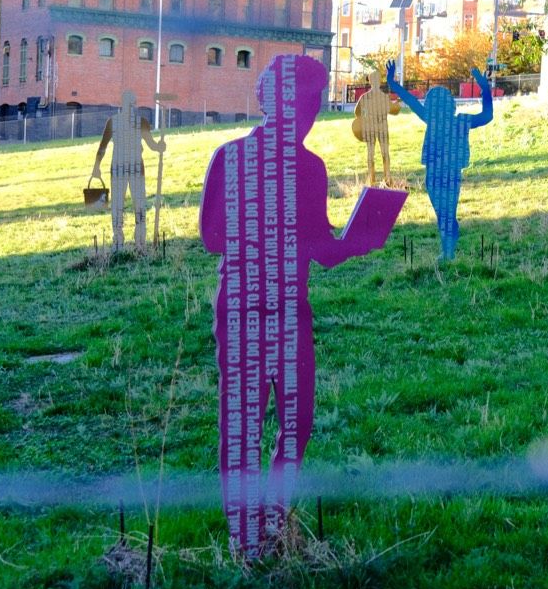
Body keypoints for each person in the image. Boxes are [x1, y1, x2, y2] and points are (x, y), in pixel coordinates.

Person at [200, 54, 405, 557]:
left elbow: (317, 247)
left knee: (292, 422)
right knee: (251, 424)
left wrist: (358, 240)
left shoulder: (307, 168)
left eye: (314, 103)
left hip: (284, 309)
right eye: (309, 101)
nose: (311, 113)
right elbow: (212, 237)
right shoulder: (234, 158)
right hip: (250, 310)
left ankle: (270, 523)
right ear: (285, 104)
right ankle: (244, 538)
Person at [387, 64, 493, 259]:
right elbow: (487, 115)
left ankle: (448, 253)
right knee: (445, 214)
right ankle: (449, 245)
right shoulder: (457, 121)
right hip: (445, 175)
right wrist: (485, 88)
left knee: (445, 214)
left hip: (438, 175)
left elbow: (411, 101)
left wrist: (393, 82)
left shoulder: (434, 118)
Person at [93, 90, 164, 252]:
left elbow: (153, 145)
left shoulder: (133, 123)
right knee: (125, 207)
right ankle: (127, 243)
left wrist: (160, 147)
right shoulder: (119, 123)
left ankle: (135, 243)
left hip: (129, 169)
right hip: (125, 170)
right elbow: (102, 148)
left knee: (132, 207)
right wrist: (96, 168)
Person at [352, 81, 395, 187]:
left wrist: (366, 114)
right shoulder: (384, 97)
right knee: (384, 153)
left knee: (372, 153)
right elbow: (394, 110)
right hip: (381, 128)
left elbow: (357, 112)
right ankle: (386, 178)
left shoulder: (365, 97)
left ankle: (372, 180)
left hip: (372, 128)